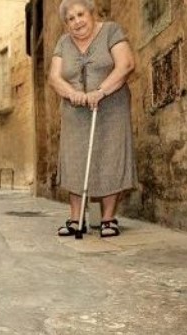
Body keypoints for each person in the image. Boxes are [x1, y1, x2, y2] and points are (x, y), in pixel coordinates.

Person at [48, 0, 136, 237]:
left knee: (111, 156)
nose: (76, 22)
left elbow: (126, 64)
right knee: (75, 159)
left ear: (91, 13)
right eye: (70, 19)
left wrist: (101, 91)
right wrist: (72, 94)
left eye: (80, 14)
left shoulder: (111, 31)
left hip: (111, 106)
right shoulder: (63, 43)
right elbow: (54, 77)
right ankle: (76, 219)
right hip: (75, 111)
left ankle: (108, 219)